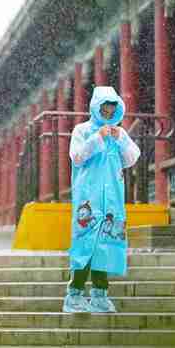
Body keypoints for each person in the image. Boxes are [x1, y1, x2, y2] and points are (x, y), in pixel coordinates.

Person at [62, 86, 140, 313]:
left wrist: (122, 140)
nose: (107, 113)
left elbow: (132, 158)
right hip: (89, 199)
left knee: (106, 246)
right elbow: (76, 157)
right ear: (95, 107)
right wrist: (98, 138)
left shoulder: (119, 133)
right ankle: (74, 295)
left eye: (111, 108)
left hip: (112, 200)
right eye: (104, 108)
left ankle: (100, 295)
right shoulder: (82, 130)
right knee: (85, 244)